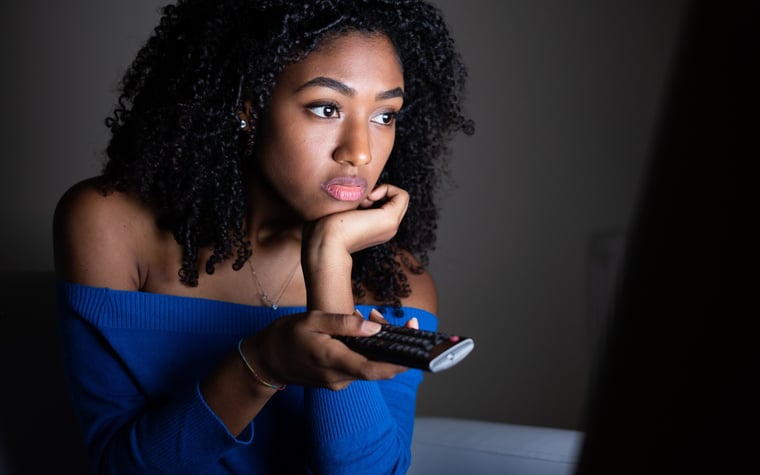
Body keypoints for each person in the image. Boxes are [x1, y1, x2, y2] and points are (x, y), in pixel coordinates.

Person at [53, 0, 473, 473]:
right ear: (248, 110)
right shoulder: (112, 228)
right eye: (327, 108)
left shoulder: (401, 284)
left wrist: (329, 259)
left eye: (384, 116)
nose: (359, 151)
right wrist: (264, 363)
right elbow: (119, 467)